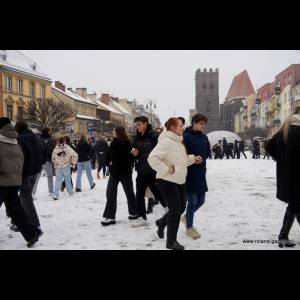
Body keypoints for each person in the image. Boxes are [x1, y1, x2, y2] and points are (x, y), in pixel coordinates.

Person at [148, 117, 202, 250]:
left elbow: (181, 160)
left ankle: (161, 223)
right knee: (176, 211)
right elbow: (152, 158)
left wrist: (193, 159)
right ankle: (171, 241)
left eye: (182, 126)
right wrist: (166, 169)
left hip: (179, 180)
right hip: (166, 180)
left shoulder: (179, 142)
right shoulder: (166, 141)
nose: (182, 128)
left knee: (180, 208)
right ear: (172, 128)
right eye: (180, 126)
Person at [0, 117, 40, 248]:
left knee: (16, 210)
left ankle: (32, 233)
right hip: (15, 182)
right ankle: (32, 233)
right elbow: (22, 160)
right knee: (16, 210)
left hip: (2, 182)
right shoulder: (15, 140)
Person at [266, 105, 300, 248]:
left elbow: (269, 146)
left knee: (295, 205)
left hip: (287, 175)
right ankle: (282, 236)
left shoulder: (284, 129)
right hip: (298, 175)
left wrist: (280, 159)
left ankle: (283, 237)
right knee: (295, 205)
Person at [131, 116, 167, 227]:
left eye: (139, 124)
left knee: (157, 191)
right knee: (139, 194)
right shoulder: (137, 137)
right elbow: (134, 150)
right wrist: (134, 152)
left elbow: (158, 152)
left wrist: (140, 153)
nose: (137, 127)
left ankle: (168, 208)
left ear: (145, 124)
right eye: (136, 125)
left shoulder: (153, 136)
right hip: (141, 169)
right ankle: (142, 217)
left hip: (153, 169)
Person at [101, 126, 138, 226]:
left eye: (114, 131)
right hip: (114, 172)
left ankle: (134, 213)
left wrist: (123, 161)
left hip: (125, 172)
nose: (113, 132)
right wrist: (109, 162)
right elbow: (108, 156)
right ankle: (110, 216)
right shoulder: (113, 143)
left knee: (129, 193)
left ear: (118, 132)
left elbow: (131, 159)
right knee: (110, 193)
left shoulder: (127, 143)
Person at [182, 114, 210, 239]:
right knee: (192, 202)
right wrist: (193, 159)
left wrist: (202, 159)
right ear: (193, 123)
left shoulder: (204, 137)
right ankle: (189, 228)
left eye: (204, 124)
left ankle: (186, 217)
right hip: (189, 174)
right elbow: (182, 155)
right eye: (200, 123)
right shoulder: (186, 137)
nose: (203, 126)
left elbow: (207, 153)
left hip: (201, 173)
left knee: (201, 201)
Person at [14, 121, 43, 235]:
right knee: (23, 197)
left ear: (18, 129)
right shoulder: (33, 138)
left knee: (26, 198)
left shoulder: (21, 140)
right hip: (35, 171)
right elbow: (40, 154)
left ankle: (35, 225)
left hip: (26, 173)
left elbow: (22, 158)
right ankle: (20, 223)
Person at [32, 128, 55, 199]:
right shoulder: (51, 140)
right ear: (48, 132)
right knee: (50, 176)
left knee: (37, 177)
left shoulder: (38, 140)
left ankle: (33, 192)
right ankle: (50, 191)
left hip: (39, 160)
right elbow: (52, 150)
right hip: (47, 160)